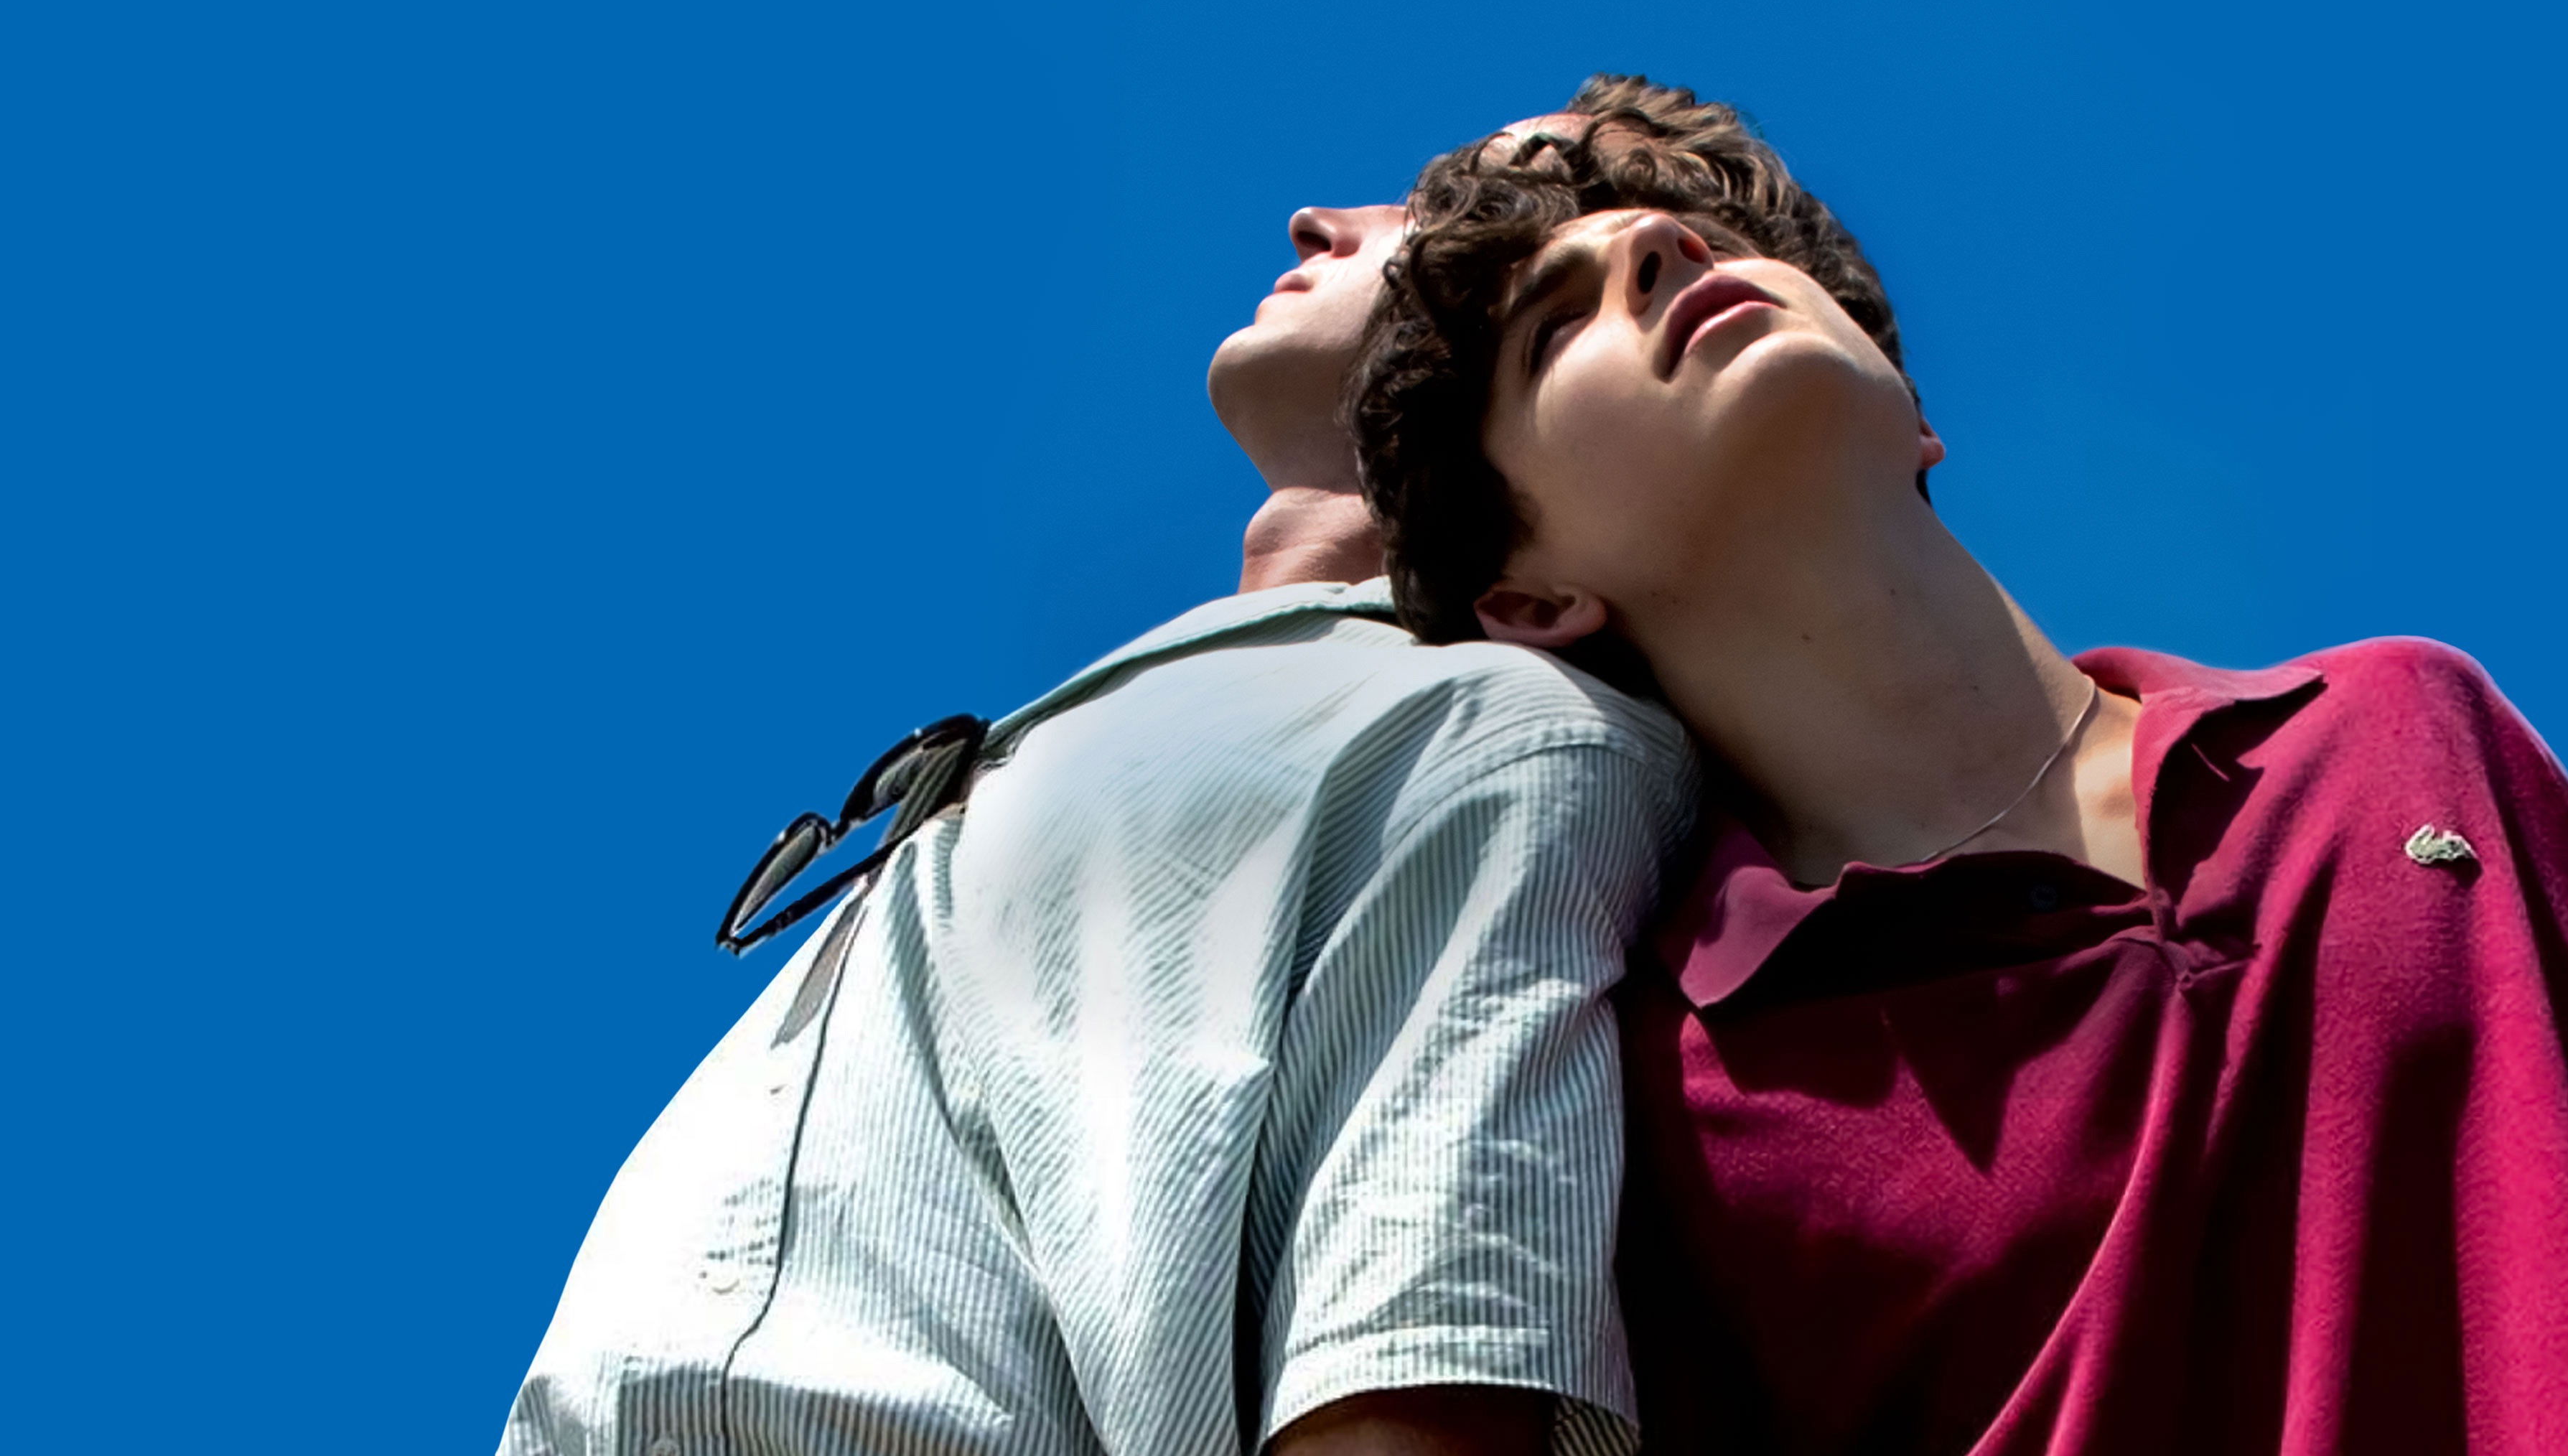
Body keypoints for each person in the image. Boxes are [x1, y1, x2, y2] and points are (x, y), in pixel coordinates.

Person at [1353, 81, 2568, 1453]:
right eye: (1556, 324)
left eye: (1708, 239)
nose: (1664, 252)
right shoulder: (1666, 1097)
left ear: (1913, 413)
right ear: (1529, 599)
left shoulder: (2402, 727)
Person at [498, 101, 1707, 1456]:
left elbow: (1418, 1375)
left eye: (1450, 209)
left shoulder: (1495, 733)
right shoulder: (1138, 730)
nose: (1320, 220)